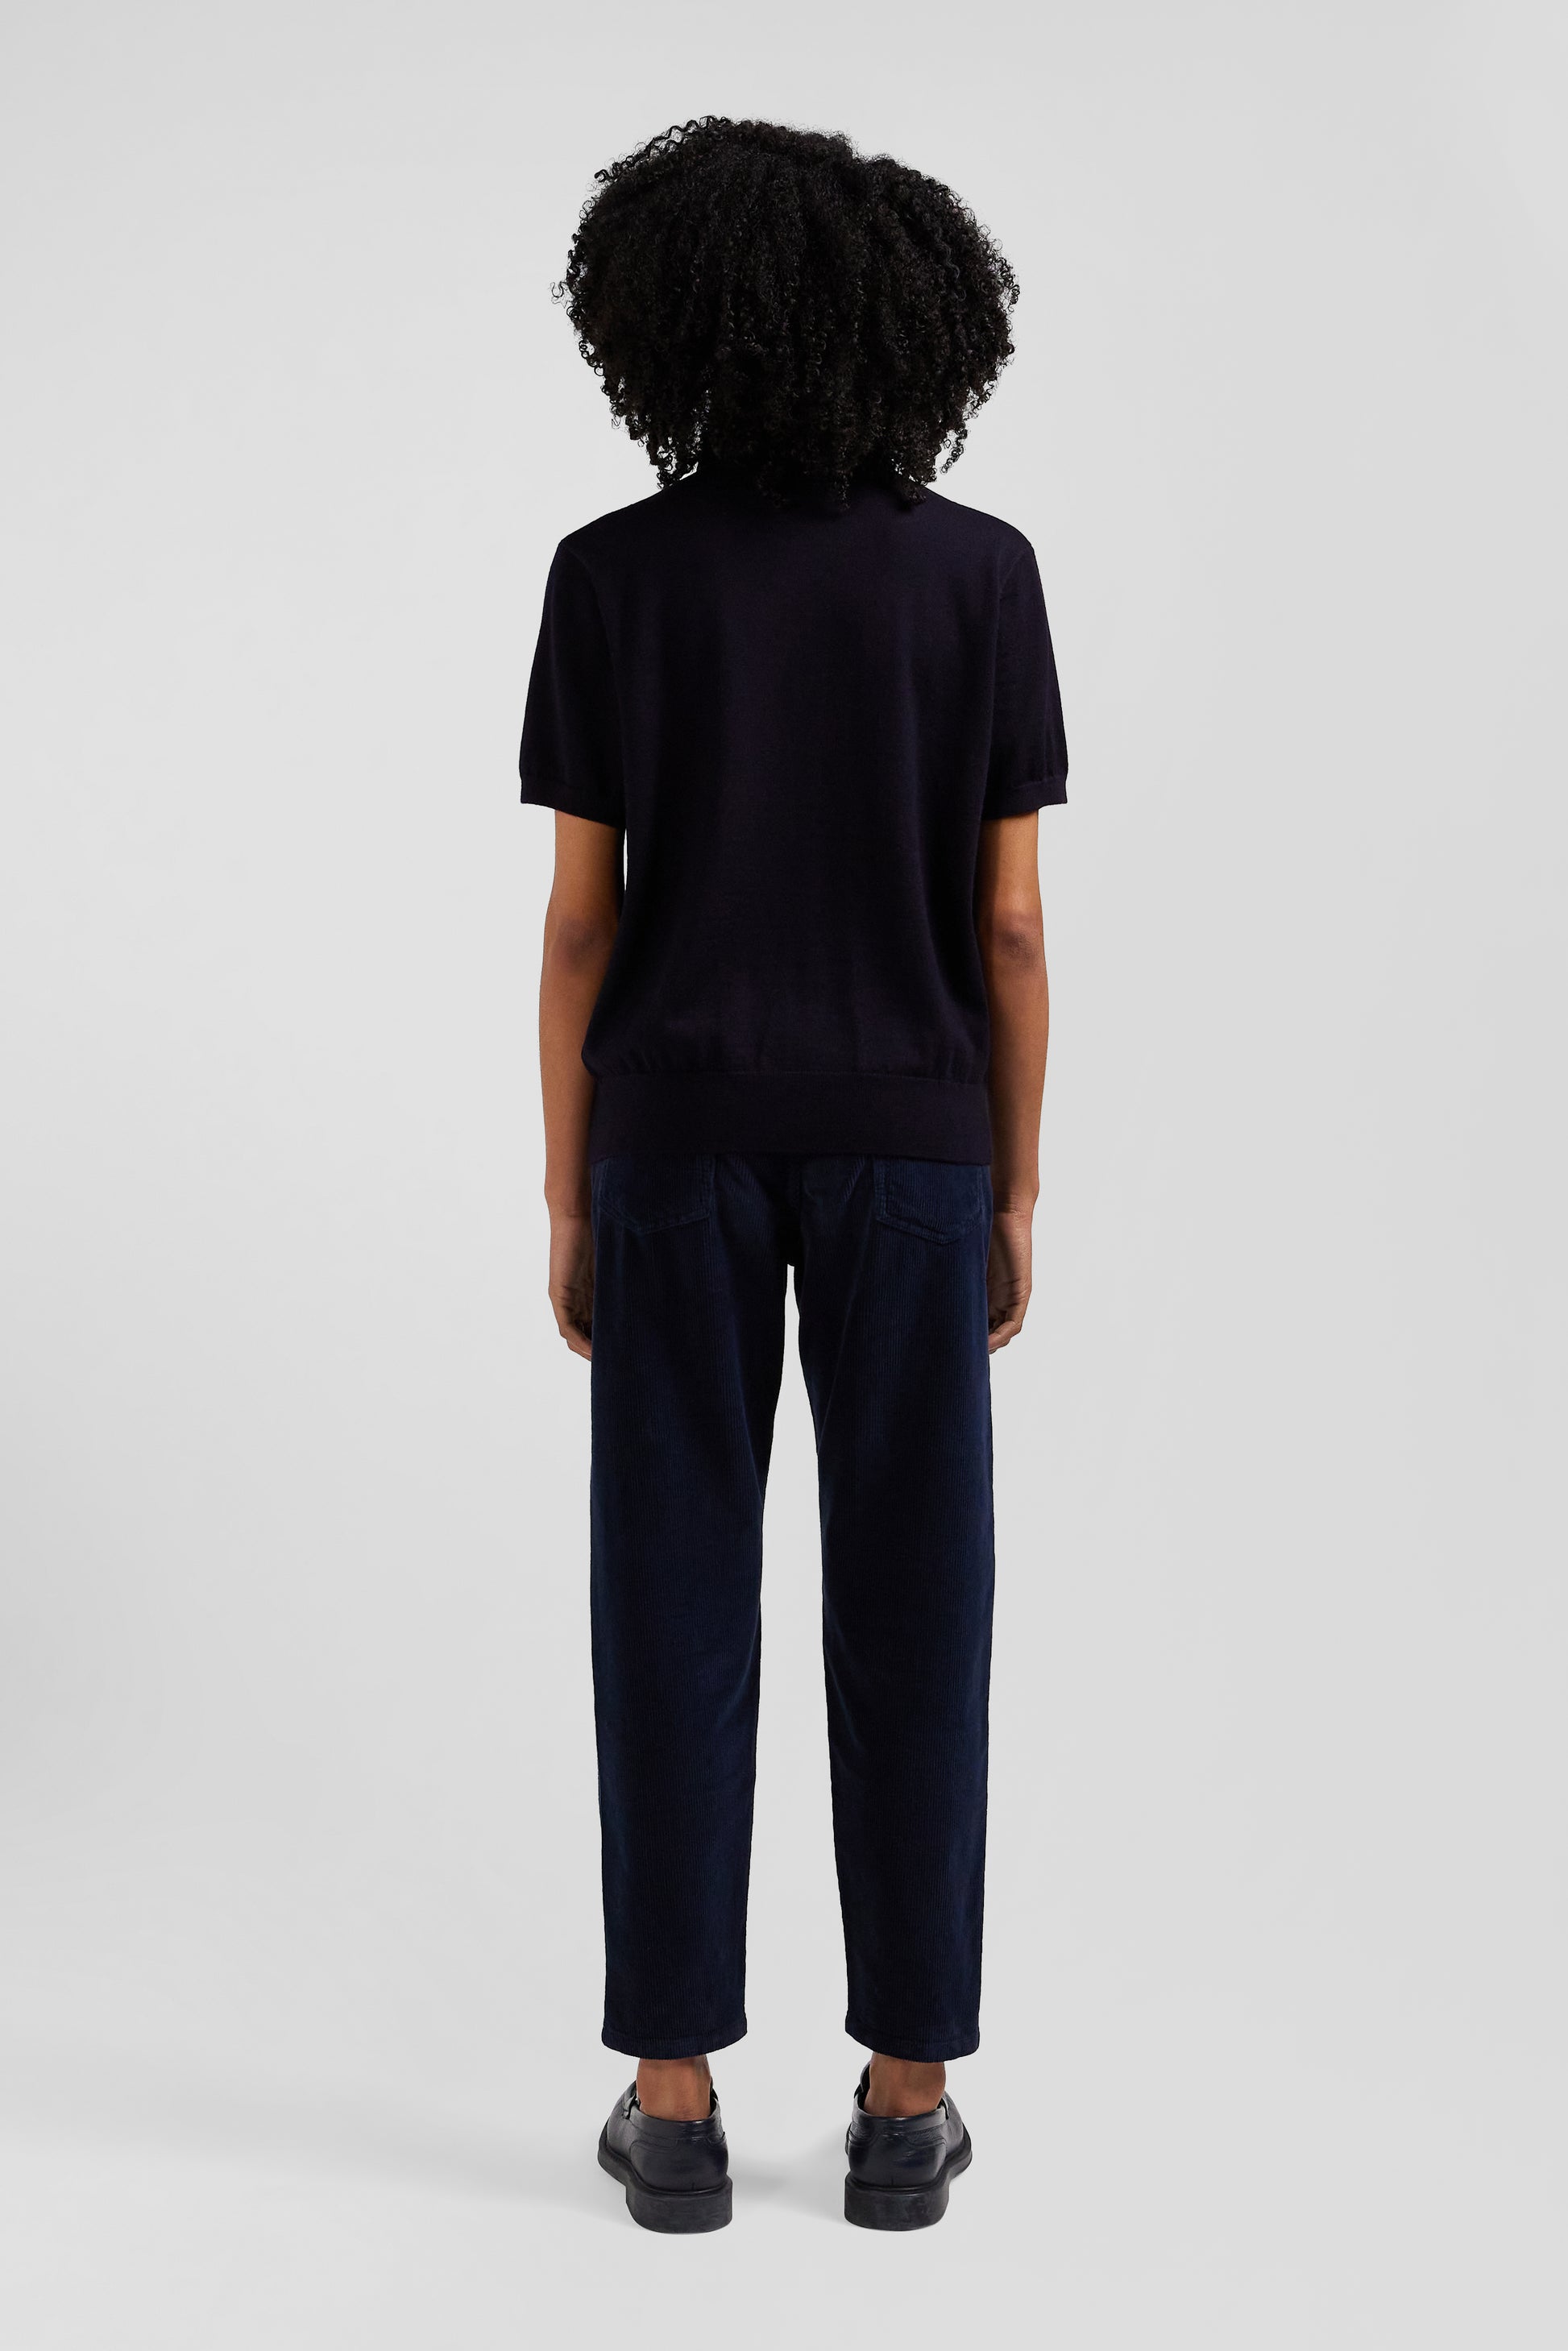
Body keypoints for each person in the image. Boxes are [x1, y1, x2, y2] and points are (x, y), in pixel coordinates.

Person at [519, 117, 1067, 2234]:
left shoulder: (611, 578)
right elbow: (1007, 927)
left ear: (663, 327)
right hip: (913, 1136)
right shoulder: (980, 577)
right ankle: (904, 2097)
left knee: (669, 1594)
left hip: (669, 1131)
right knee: (917, 1600)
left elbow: (583, 929)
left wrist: (570, 1194)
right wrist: (1011, 1186)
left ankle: (672, 2103)